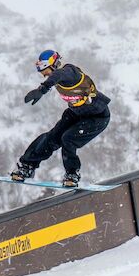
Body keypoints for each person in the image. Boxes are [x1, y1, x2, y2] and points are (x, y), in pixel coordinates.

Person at [10, 50, 111, 187]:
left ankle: (72, 174)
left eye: (44, 70)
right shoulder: (59, 79)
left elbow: (59, 74)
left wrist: (42, 89)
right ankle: (27, 166)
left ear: (53, 65)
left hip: (97, 117)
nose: (43, 74)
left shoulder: (70, 72)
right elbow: (56, 77)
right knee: (51, 137)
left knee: (68, 139)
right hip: (76, 113)